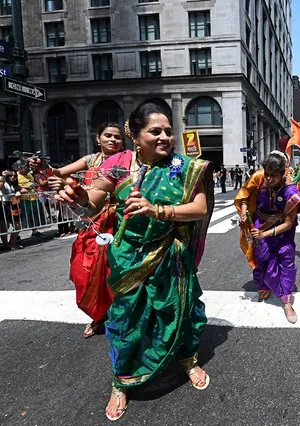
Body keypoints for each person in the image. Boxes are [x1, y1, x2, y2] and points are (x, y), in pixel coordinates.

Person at [56, 103, 214, 420]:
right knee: (126, 320)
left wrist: (159, 211)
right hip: (128, 255)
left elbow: (200, 207)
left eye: (168, 131)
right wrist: (76, 198)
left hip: (170, 252)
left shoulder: (184, 167)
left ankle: (186, 358)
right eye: (155, 131)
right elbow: (92, 204)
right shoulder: (118, 165)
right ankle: (121, 380)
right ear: (136, 134)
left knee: (179, 311)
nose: (165, 137)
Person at [47, 123, 124, 338]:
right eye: (107, 135)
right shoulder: (90, 160)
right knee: (84, 272)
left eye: (117, 137)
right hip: (91, 222)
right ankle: (98, 314)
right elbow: (58, 172)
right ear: (98, 138)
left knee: (114, 271)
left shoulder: (128, 161)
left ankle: (119, 315)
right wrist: (43, 170)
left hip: (118, 222)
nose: (112, 140)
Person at [235, 151, 300, 323]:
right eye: (267, 174)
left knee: (286, 261)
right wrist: (244, 214)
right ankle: (264, 285)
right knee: (262, 258)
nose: (269, 179)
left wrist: (264, 233)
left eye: (274, 176)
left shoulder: (291, 191)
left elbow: (288, 222)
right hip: (260, 222)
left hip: (283, 231)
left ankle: (287, 303)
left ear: (283, 173)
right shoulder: (259, 178)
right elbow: (245, 198)